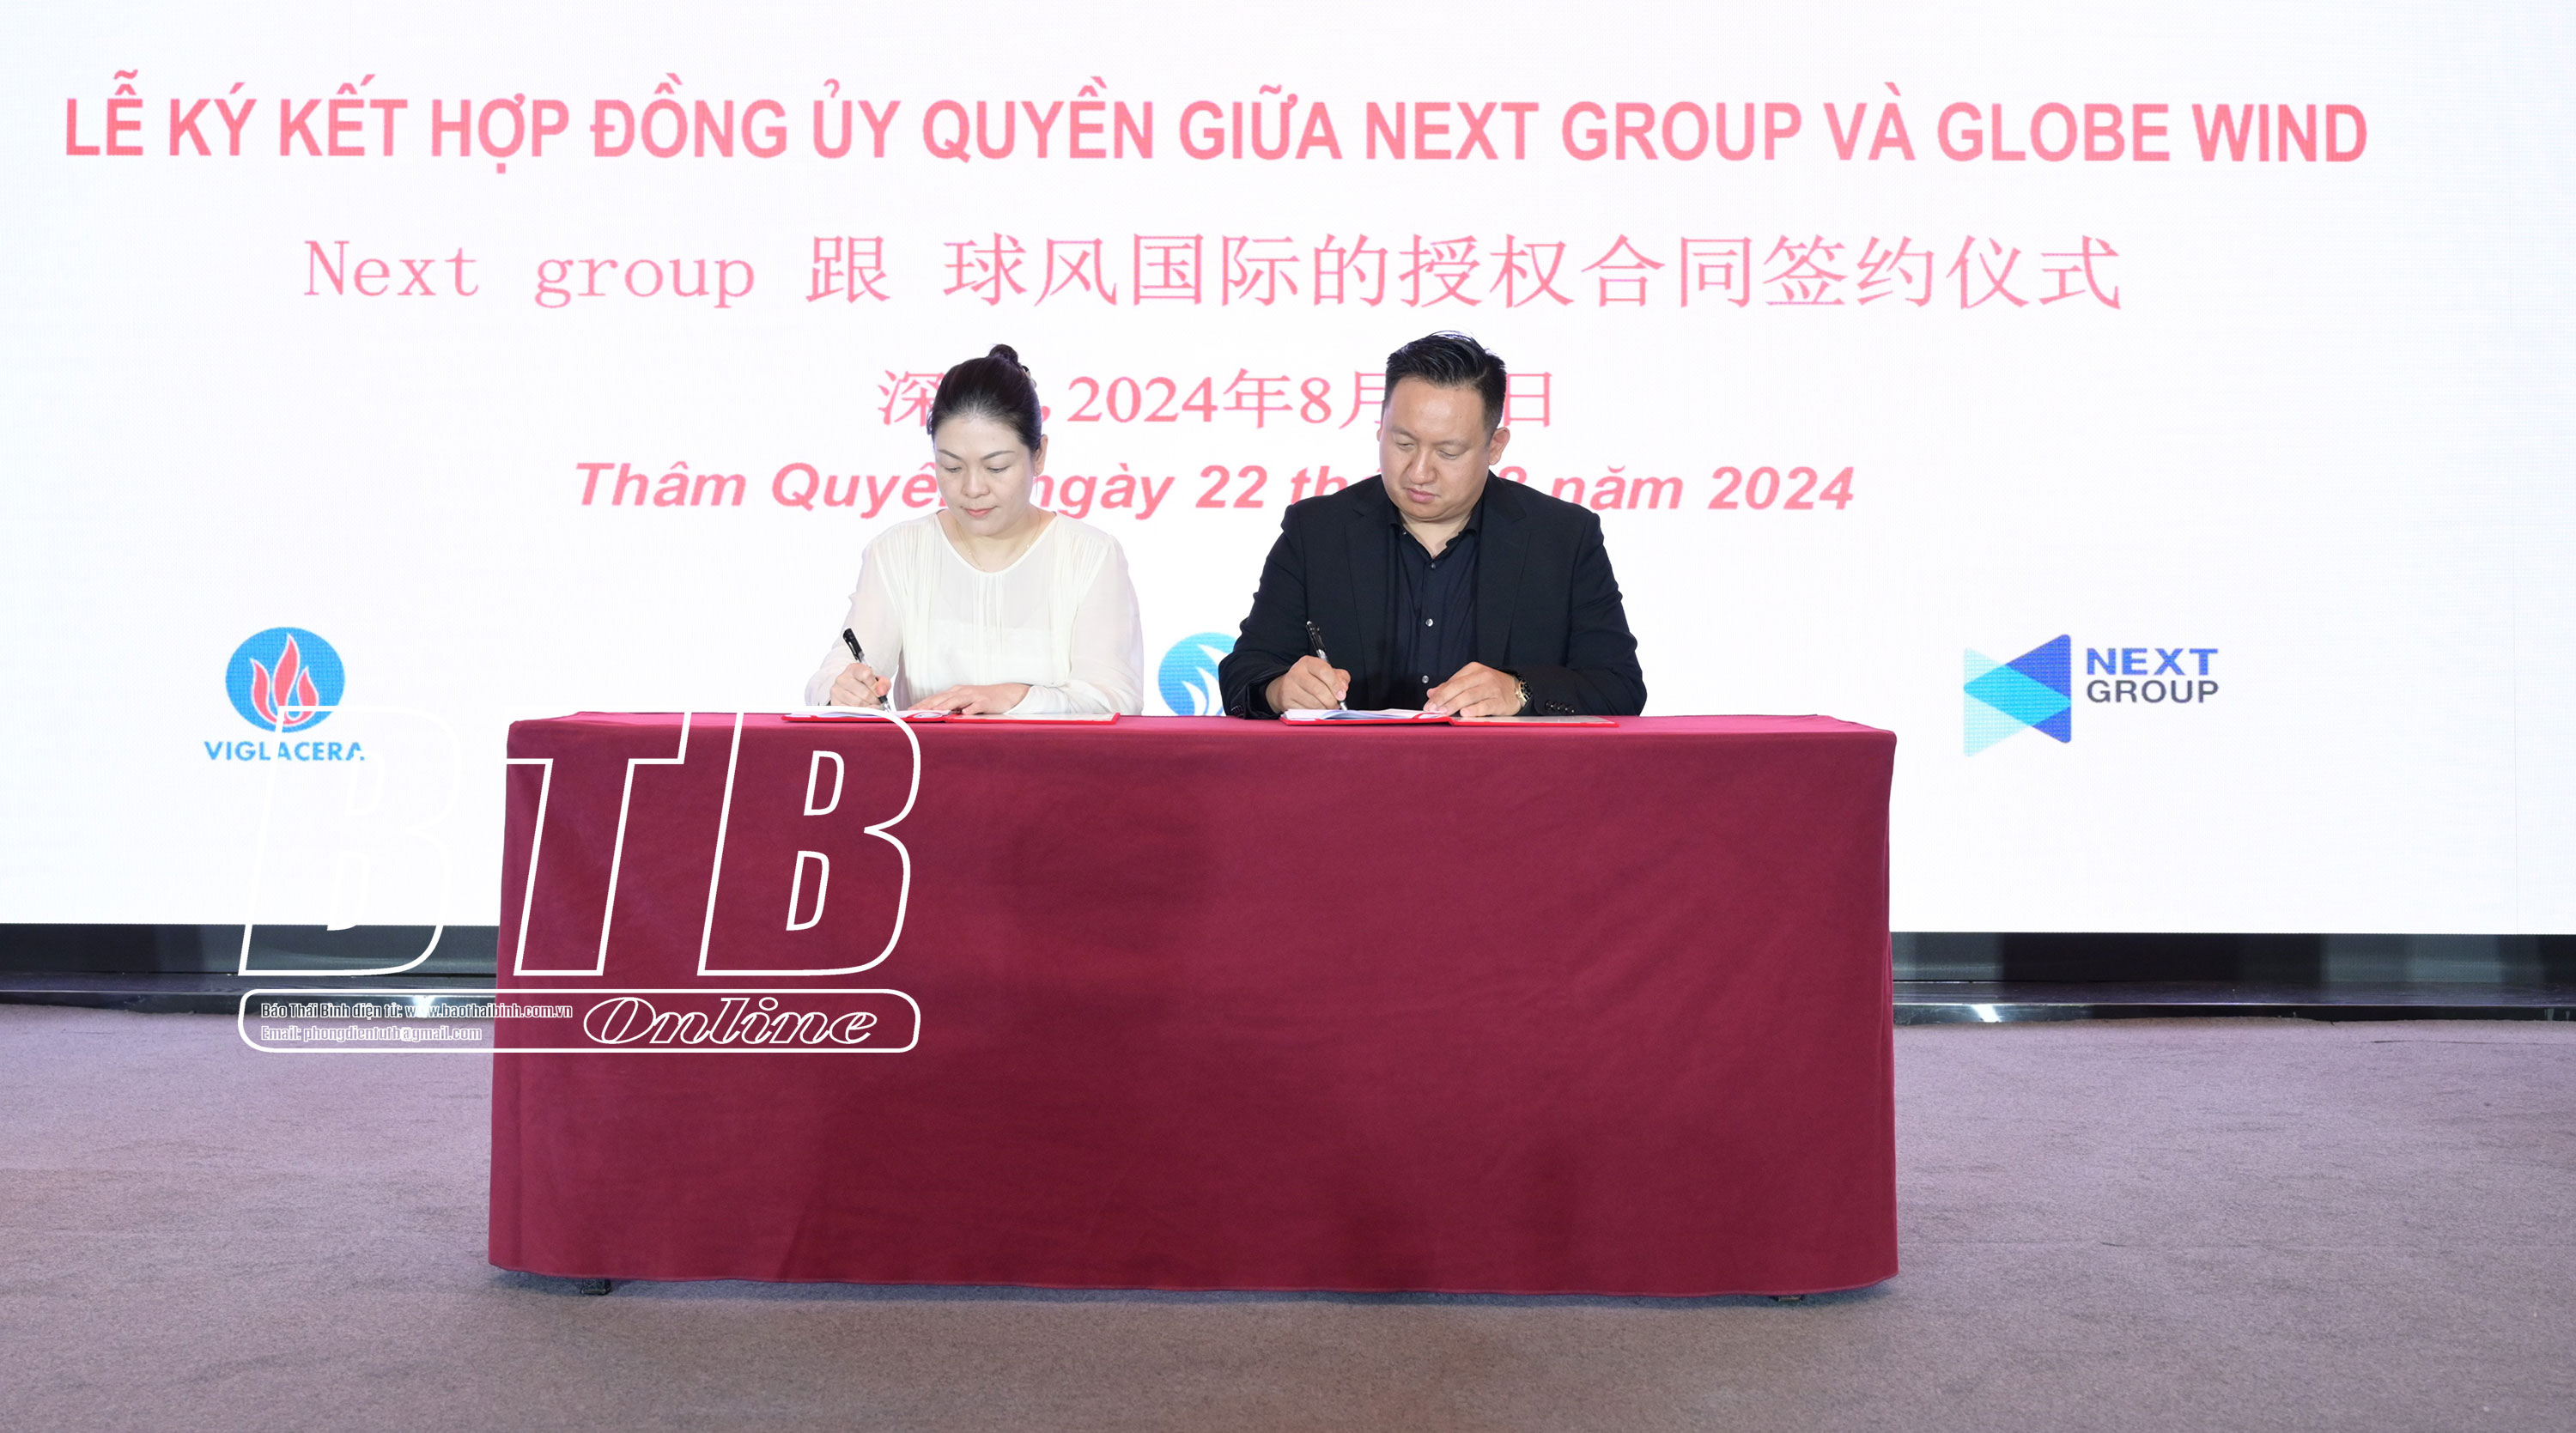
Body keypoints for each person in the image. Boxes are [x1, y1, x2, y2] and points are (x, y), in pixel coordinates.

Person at [1216, 332, 1645, 718]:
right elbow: (1246, 670)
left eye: (1448, 452)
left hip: (1508, 777)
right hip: (1351, 774)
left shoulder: (1563, 539)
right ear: (1380, 429)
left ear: (1496, 446)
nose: (1419, 472)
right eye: (1403, 443)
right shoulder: (1317, 531)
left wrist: (1520, 690)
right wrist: (1278, 689)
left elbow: (1619, 686)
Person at [804, 345, 1145, 714]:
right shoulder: (899, 552)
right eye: (951, 468)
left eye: (996, 468)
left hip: (1054, 756)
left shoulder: (1090, 554)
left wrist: (1016, 697)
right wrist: (845, 690)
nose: (972, 488)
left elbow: (1115, 700)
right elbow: (832, 677)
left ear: (1039, 455)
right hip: (926, 755)